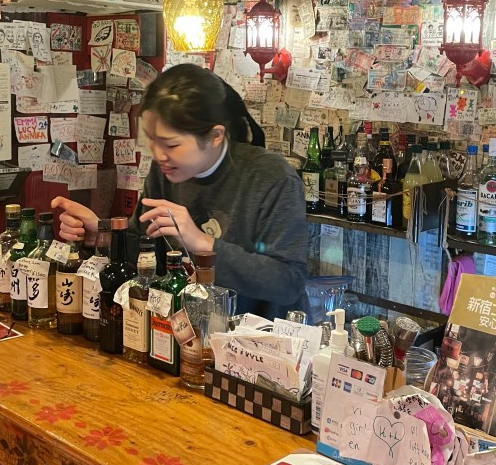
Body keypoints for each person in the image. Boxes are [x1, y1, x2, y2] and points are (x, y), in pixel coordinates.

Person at [52, 64, 308, 318]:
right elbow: (145, 248)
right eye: (151, 139)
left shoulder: (272, 178)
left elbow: (288, 283)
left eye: (171, 144)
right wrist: (103, 235)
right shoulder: (165, 171)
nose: (159, 154)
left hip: (257, 344)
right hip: (180, 332)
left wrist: (201, 242)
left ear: (216, 136)